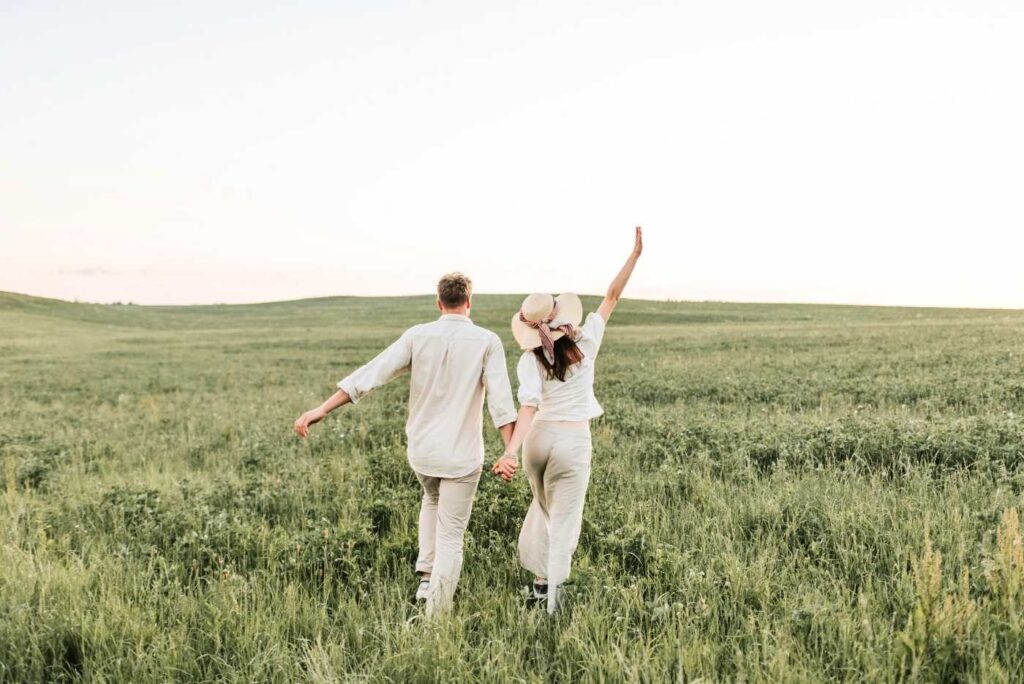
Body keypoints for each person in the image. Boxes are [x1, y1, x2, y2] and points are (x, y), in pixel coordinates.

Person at [294, 273, 517, 616]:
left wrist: (321, 409)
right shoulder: (487, 341)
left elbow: (372, 373)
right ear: (469, 302)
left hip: (423, 453)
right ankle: (436, 618)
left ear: (439, 302)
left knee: (431, 498)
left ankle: (427, 580)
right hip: (461, 455)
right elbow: (500, 404)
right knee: (452, 534)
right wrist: (508, 452)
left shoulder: (418, 335)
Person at [492, 227, 643, 613]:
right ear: (561, 316)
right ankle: (553, 605)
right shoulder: (587, 341)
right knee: (565, 520)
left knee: (544, 510)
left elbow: (528, 404)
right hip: (573, 441)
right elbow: (612, 295)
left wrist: (511, 450)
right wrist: (635, 255)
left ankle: (541, 586)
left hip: (538, 442)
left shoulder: (529, 359)